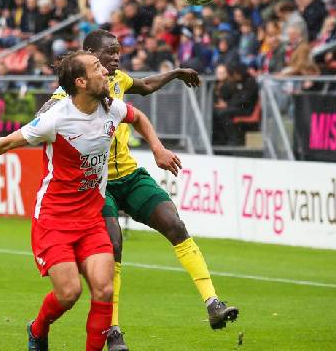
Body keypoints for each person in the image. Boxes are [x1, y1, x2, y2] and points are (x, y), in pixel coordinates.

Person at [0, 50, 180, 351]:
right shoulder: (55, 119)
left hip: (91, 220)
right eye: (98, 68)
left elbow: (139, 118)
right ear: (81, 82)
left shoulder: (111, 107)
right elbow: (5, 143)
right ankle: (37, 329)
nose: (107, 73)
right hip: (54, 221)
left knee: (104, 289)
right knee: (69, 293)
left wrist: (158, 148)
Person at [40, 29, 239, 351]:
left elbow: (144, 87)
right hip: (96, 183)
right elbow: (43, 119)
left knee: (174, 224)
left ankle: (213, 303)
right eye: (109, 52)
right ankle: (113, 329)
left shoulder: (116, 81)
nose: (116, 57)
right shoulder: (69, 96)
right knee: (112, 246)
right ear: (89, 55)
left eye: (119, 51)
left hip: (129, 174)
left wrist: (174, 73)